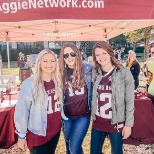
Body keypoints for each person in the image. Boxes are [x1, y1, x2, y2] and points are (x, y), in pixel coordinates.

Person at [14, 49, 62, 154]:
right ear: (39, 63)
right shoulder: (29, 84)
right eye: (45, 61)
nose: (49, 64)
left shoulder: (58, 81)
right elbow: (22, 112)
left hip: (55, 131)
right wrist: (21, 136)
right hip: (37, 134)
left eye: (52, 61)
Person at [90, 41, 134, 154]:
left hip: (116, 123)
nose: (101, 57)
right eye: (97, 55)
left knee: (117, 152)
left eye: (104, 53)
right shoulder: (95, 73)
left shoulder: (124, 72)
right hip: (98, 122)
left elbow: (129, 100)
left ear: (110, 53)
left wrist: (128, 125)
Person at [59, 42, 92, 154]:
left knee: (74, 147)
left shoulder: (88, 69)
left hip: (82, 116)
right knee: (69, 148)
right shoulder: (60, 73)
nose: (69, 57)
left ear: (77, 54)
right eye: (65, 55)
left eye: (72, 54)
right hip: (66, 117)